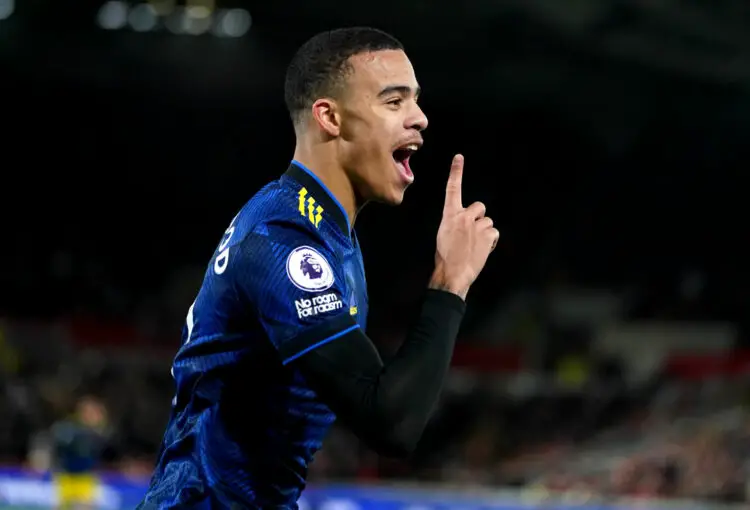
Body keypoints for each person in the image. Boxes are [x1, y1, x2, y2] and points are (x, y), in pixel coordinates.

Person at [139, 26, 499, 509]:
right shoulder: (283, 239)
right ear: (329, 117)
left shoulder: (325, 230)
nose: (420, 118)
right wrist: (450, 282)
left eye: (415, 100)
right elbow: (390, 423)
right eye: (394, 102)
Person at [50, 395, 109, 510]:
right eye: (88, 412)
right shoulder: (69, 429)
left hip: (86, 478)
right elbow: (59, 446)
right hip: (66, 477)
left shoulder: (99, 434)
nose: (91, 416)